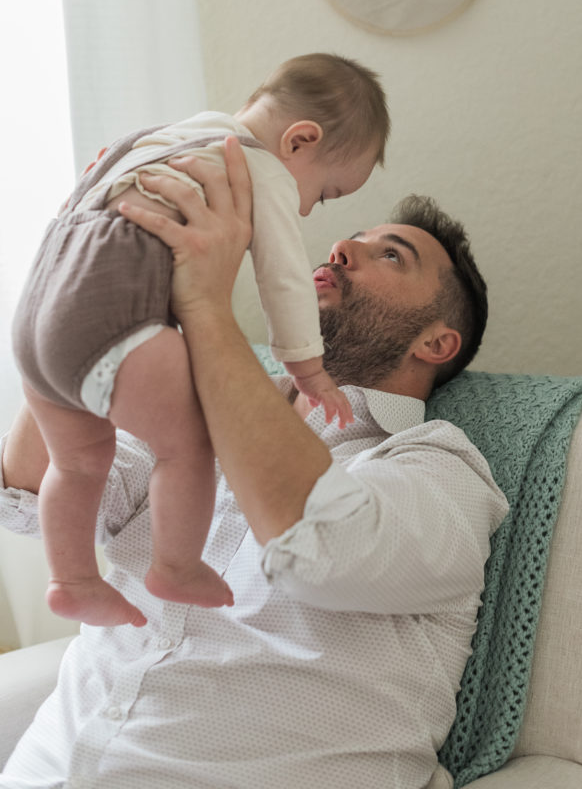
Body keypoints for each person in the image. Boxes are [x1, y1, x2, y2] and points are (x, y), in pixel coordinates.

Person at [0, 138, 508, 789]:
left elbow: (317, 543)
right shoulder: (187, 418)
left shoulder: (442, 470)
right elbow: (29, 490)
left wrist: (206, 308)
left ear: (437, 341)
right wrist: (74, 266)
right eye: (349, 237)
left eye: (390, 255)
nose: (339, 250)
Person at [10, 53, 389, 628]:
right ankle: (176, 564)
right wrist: (308, 370)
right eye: (327, 192)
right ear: (299, 141)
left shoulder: (156, 138)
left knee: (78, 460)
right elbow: (284, 280)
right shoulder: (259, 169)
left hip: (35, 316)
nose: (310, 208)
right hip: (114, 321)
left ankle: (73, 580)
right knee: (189, 445)